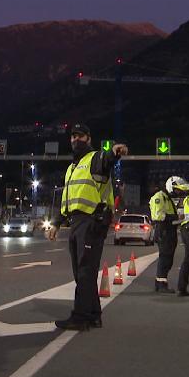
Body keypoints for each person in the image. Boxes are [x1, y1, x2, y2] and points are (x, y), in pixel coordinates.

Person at [46, 124, 128, 330]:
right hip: (76, 222)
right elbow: (66, 199)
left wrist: (115, 153)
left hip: (92, 222)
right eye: (72, 136)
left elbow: (107, 159)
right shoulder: (72, 168)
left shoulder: (96, 158)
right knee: (83, 271)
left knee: (84, 270)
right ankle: (93, 314)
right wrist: (56, 224)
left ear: (88, 138)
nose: (75, 140)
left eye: (80, 136)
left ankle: (80, 317)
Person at [150, 176, 189, 293]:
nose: (178, 192)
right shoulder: (160, 197)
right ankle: (161, 284)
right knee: (165, 258)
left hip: (169, 231)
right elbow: (158, 216)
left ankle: (160, 282)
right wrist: (176, 217)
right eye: (177, 190)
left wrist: (179, 218)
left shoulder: (167, 198)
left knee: (168, 258)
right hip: (164, 231)